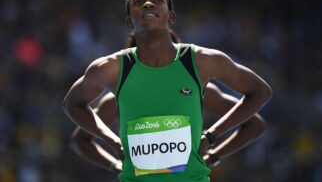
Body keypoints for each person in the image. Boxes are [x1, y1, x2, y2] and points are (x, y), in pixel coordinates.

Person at [63, 0, 272, 182]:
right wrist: (115, 146)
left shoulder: (200, 64)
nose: (147, 3)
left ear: (171, 17)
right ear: (129, 21)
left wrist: (211, 141)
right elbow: (73, 110)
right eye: (138, 1)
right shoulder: (113, 70)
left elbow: (259, 98)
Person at [70, 33, 267, 175]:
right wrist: (115, 161)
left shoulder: (201, 92)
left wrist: (212, 147)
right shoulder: (115, 101)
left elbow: (255, 124)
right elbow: (80, 139)